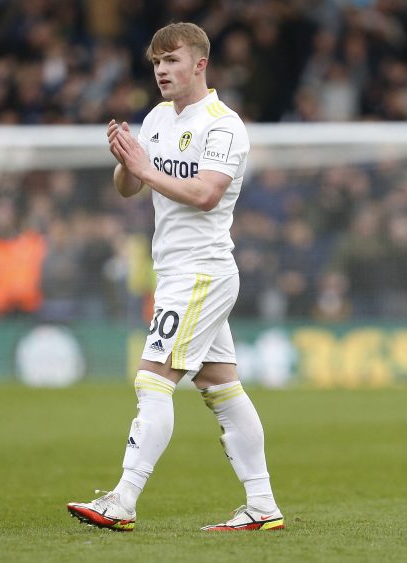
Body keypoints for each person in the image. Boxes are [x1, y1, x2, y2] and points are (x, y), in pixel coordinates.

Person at [67, 22, 284, 532]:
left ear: (200, 64)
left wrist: (143, 168)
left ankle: (122, 500)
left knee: (151, 379)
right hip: (176, 272)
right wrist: (125, 160)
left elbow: (206, 194)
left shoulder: (224, 125)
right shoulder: (158, 117)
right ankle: (262, 505)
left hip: (202, 272)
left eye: (172, 60)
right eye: (157, 62)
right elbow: (129, 188)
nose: (162, 70)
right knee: (221, 387)